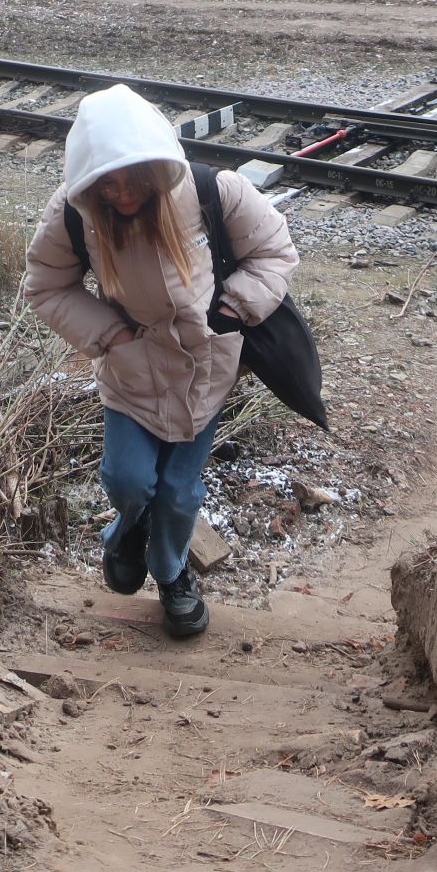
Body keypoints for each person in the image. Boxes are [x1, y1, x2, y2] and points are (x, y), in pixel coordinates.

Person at [22, 84, 298, 638]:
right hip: (132, 368)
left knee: (180, 492)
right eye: (108, 184)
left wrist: (235, 308)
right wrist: (112, 335)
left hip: (206, 370)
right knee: (128, 481)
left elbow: (274, 252)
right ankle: (125, 529)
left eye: (133, 180)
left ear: (156, 167)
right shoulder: (76, 214)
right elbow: (46, 287)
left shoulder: (214, 191)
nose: (122, 195)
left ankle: (171, 574)